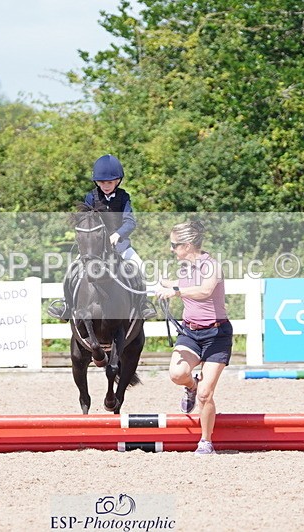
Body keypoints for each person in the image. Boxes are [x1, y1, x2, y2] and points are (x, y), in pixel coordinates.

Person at [154, 220, 232, 455]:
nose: (172, 249)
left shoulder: (212, 266)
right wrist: (160, 285)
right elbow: (177, 283)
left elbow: (204, 290)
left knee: (206, 394)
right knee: (177, 374)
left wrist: (175, 291)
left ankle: (206, 441)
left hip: (216, 335)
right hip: (190, 332)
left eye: (174, 245)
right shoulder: (184, 268)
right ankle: (190, 387)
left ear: (187, 245)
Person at [48, 154, 157, 320]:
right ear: (97, 182)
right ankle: (66, 304)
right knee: (71, 270)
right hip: (95, 248)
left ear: (118, 181)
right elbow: (87, 221)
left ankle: (143, 305)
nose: (106, 186)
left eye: (110, 182)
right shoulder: (91, 197)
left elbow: (130, 222)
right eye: (102, 182)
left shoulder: (123, 197)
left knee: (140, 267)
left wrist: (117, 235)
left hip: (120, 246)